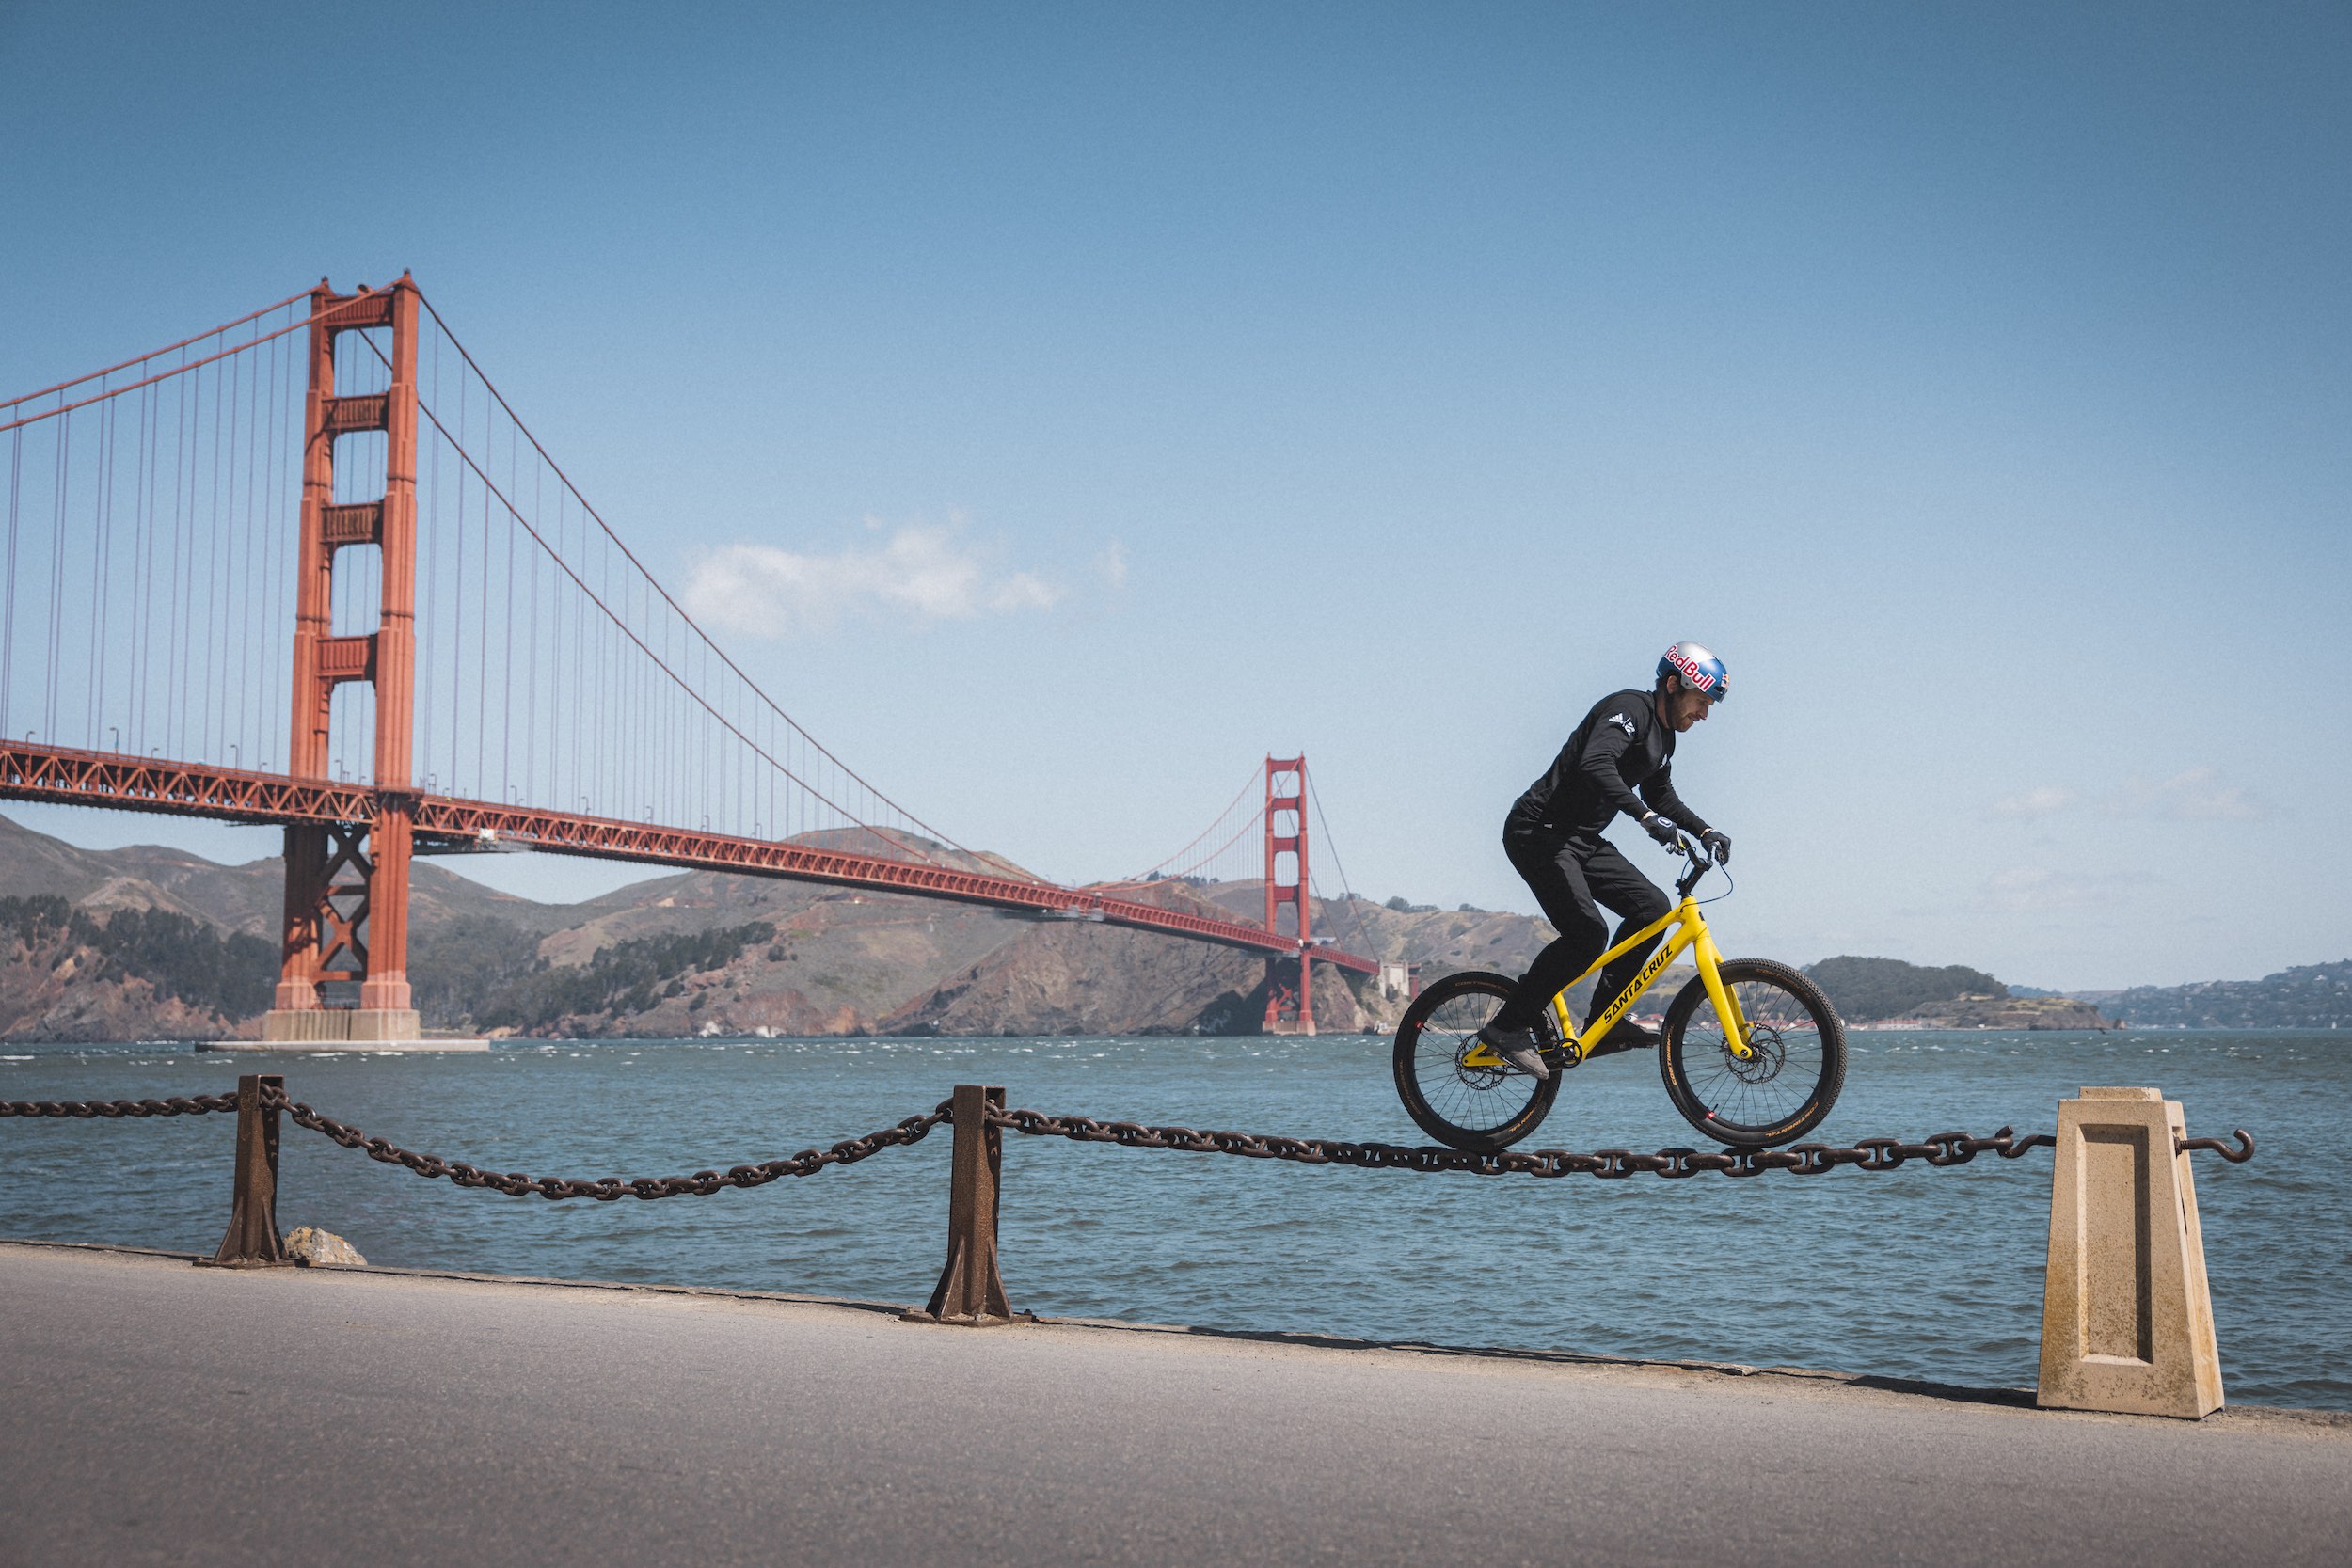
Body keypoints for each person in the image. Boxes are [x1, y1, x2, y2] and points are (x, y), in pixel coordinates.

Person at [1477, 642, 1732, 1081]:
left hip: (1580, 838)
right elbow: (1595, 762)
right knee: (1586, 934)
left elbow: (1659, 794)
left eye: (1709, 706)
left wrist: (1704, 830)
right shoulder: (1628, 709)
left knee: (1651, 909)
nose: (1704, 715)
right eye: (1700, 702)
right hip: (1537, 831)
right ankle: (1507, 1027)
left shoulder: (1664, 737)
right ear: (1673, 685)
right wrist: (1645, 819)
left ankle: (1604, 1022)